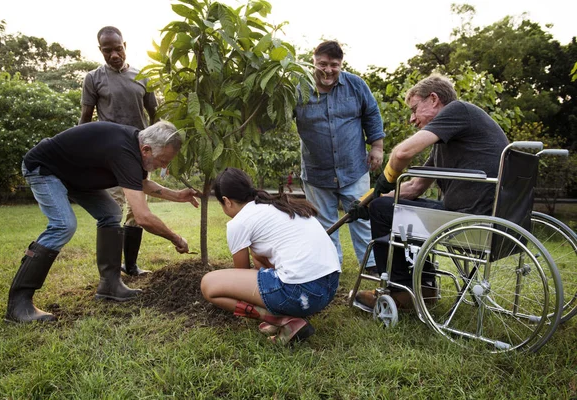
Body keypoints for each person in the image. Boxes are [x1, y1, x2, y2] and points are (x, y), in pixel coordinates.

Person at [5, 121, 199, 323]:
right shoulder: (123, 151)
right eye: (163, 160)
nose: (165, 166)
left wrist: (177, 196)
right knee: (63, 225)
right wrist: (176, 238)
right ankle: (19, 303)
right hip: (45, 169)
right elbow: (142, 217)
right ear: (147, 149)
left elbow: (142, 183)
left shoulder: (136, 149)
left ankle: (110, 285)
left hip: (76, 176)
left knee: (111, 213)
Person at [350, 73, 509, 309]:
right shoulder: (448, 140)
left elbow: (401, 153)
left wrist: (387, 178)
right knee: (384, 206)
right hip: (486, 218)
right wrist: (371, 199)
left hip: (470, 219)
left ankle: (400, 291)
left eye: (414, 109)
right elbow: (414, 187)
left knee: (385, 211)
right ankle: (423, 288)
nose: (412, 119)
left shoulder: (457, 110)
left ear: (433, 99)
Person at [200, 168, 341, 344]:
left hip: (300, 293)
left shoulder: (239, 223)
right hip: (328, 289)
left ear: (226, 201)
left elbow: (241, 274)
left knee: (208, 284)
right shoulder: (276, 205)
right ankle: (284, 312)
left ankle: (282, 321)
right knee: (257, 254)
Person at [294, 40, 385, 271]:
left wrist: (377, 147)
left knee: (363, 219)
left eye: (334, 65)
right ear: (313, 62)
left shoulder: (356, 85)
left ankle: (372, 267)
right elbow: (274, 116)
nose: (328, 70)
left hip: (353, 169)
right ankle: (332, 268)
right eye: (322, 64)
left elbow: (372, 114)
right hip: (317, 173)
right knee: (325, 224)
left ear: (341, 64)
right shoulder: (299, 88)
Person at [80, 26, 159, 277]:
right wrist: (82, 154)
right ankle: (111, 273)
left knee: (137, 212)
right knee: (113, 209)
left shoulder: (142, 75)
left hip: (139, 153)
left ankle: (132, 266)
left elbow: (153, 115)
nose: (114, 55)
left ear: (125, 45)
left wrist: (155, 151)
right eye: (107, 50)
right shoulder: (93, 78)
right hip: (110, 154)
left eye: (118, 48)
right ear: (100, 51)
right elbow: (84, 119)